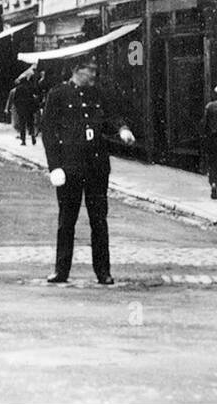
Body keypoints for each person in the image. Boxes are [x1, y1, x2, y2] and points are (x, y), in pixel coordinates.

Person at [40, 55, 135, 286]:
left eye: (95, 70)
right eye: (90, 70)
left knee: (99, 221)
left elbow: (112, 115)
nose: (94, 74)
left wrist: (122, 129)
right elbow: (48, 132)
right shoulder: (58, 94)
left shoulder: (99, 93)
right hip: (70, 167)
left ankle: (103, 271)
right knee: (66, 221)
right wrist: (54, 166)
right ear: (76, 69)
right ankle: (61, 271)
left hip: (96, 167)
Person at [11, 68, 39, 145]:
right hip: (29, 109)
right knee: (31, 124)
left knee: (22, 125)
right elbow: (35, 95)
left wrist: (17, 107)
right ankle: (33, 137)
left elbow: (15, 99)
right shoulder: (30, 86)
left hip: (21, 109)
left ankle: (23, 140)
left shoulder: (19, 88)